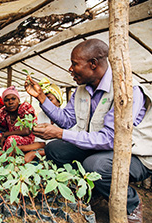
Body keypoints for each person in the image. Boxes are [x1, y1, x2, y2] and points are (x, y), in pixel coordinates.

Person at [25, 38, 152, 222]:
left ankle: (131, 204)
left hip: (135, 155)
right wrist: (42, 98)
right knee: (55, 149)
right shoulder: (82, 90)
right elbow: (67, 121)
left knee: (95, 165)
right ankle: (87, 192)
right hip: (101, 149)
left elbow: (110, 138)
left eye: (74, 64)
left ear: (93, 64)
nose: (70, 69)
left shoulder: (126, 89)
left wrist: (59, 133)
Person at [18, 78, 62, 163]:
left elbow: (66, 148)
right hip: (46, 151)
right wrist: (21, 148)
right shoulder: (42, 115)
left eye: (50, 99)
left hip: (61, 153)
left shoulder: (67, 118)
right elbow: (42, 143)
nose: (47, 104)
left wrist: (35, 153)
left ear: (59, 101)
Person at [0, 86, 36, 152]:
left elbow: (27, 131)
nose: (10, 102)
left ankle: (8, 161)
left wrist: (6, 134)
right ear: (4, 102)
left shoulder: (25, 108)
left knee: (11, 140)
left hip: (26, 138)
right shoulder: (4, 111)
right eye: (7, 100)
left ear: (18, 100)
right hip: (9, 135)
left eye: (13, 99)